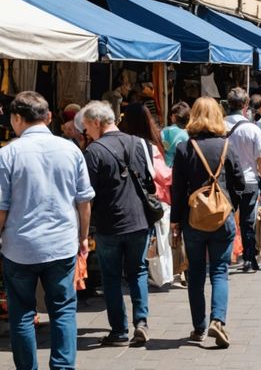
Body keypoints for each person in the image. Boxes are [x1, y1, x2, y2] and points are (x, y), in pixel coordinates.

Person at [0, 92, 94, 370]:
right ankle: (63, 367)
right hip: (61, 244)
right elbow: (84, 202)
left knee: (21, 313)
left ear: (16, 118)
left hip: (19, 247)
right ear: (49, 117)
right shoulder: (71, 150)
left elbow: (1, 208)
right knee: (63, 309)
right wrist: (83, 237)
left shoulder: (7, 154)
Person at [170, 97, 246, 348]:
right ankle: (218, 320)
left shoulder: (185, 148)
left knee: (195, 273)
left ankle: (199, 327)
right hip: (222, 217)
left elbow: (178, 190)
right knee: (220, 271)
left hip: (193, 219)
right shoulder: (227, 145)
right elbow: (240, 183)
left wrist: (176, 222)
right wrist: (230, 204)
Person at [80, 100, 154, 347]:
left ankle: (119, 330)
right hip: (139, 220)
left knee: (111, 277)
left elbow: (86, 194)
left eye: (87, 127)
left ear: (96, 122)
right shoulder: (139, 143)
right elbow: (150, 181)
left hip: (109, 223)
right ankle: (141, 322)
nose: (86, 132)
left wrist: (83, 230)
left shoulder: (93, 151)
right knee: (138, 271)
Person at [120, 103, 174, 288]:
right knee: (149, 243)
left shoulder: (119, 144)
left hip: (123, 201)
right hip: (150, 202)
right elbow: (163, 176)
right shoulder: (149, 147)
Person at [224, 88, 261, 272]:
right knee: (247, 221)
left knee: (226, 220)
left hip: (226, 182)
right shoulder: (253, 129)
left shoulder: (220, 126)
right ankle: (249, 258)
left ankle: (226, 256)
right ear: (245, 106)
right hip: (249, 181)